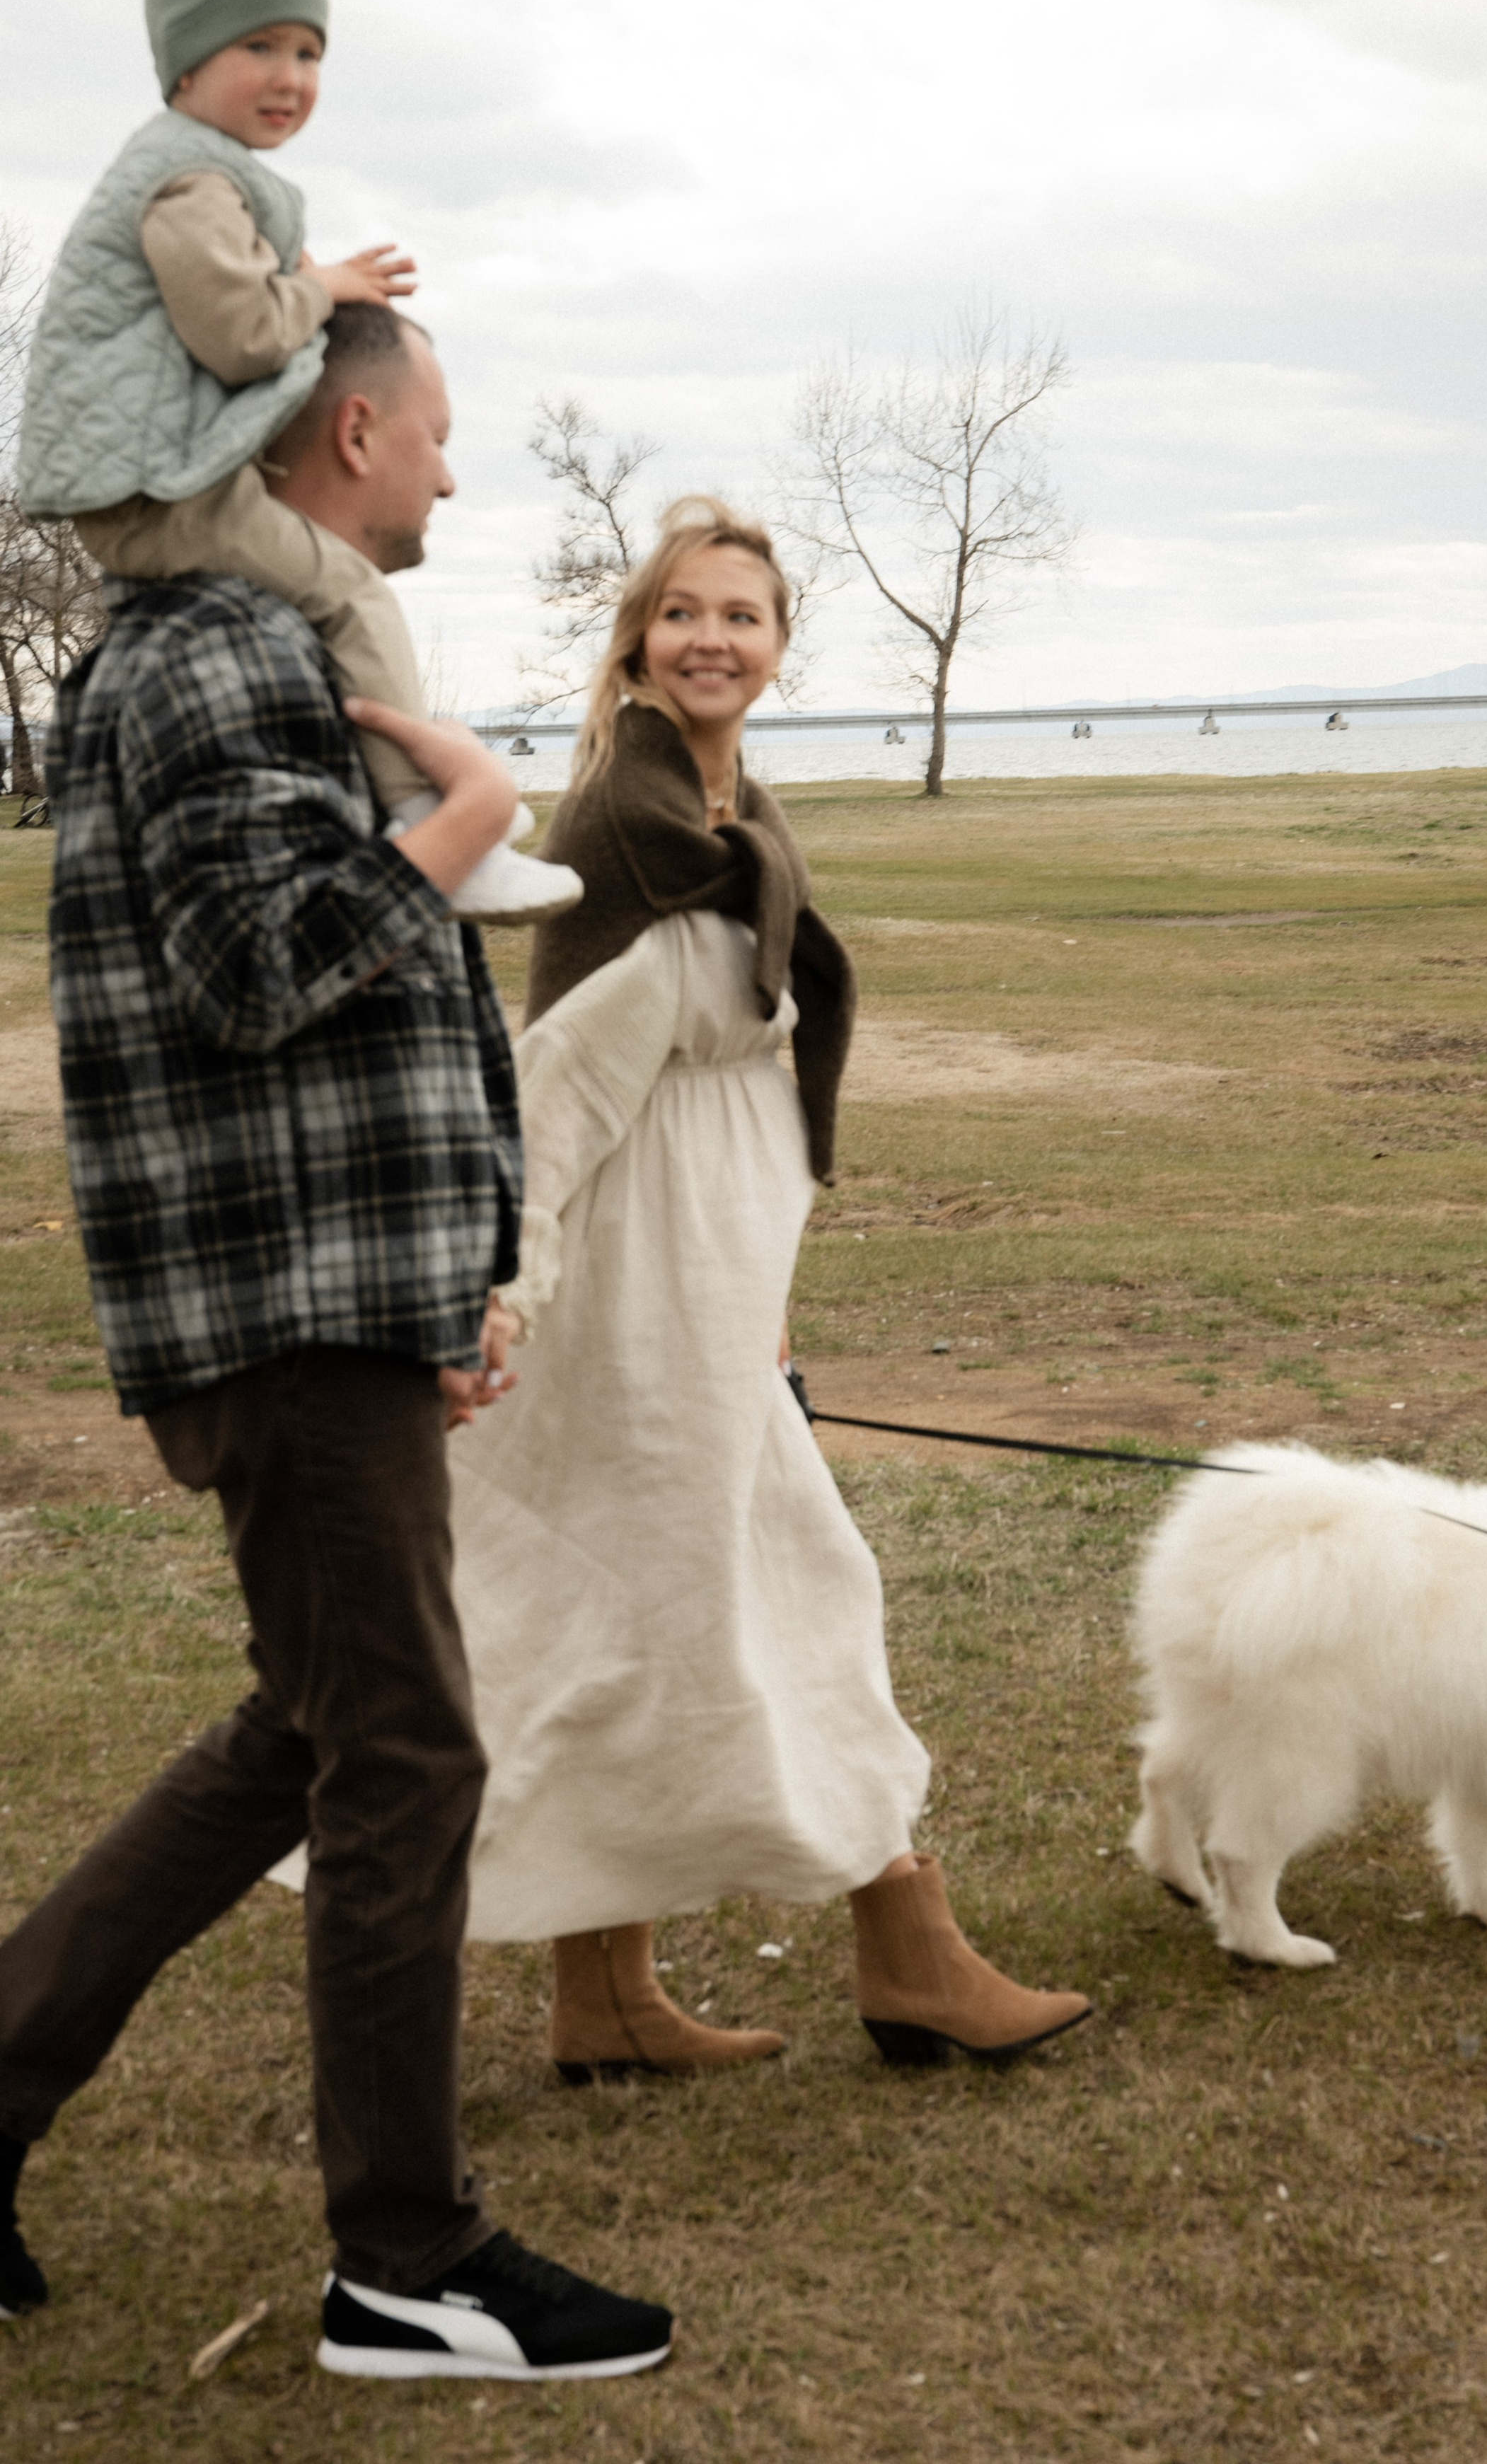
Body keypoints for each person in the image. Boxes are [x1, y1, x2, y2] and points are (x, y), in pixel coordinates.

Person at [0, 305, 671, 2384]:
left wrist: (449, 1278)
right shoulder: (216, 650)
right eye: (444, 438)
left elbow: (349, 1013)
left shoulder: (274, 653)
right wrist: (470, 810)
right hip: (279, 1313)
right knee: (403, 1749)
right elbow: (254, 966)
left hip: (326, 1303)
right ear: (353, 428)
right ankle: (408, 2257)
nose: (455, 479)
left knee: (306, 1732)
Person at [444, 497, 1094, 2076]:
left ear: (779, 646)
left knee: (657, 1619)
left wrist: (764, 1295)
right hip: (627, 1312)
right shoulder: (621, 835)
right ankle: (904, 1950)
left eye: (741, 615)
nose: (712, 639)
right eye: (682, 614)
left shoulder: (742, 823)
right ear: (638, 644)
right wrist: (498, 1288)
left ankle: (606, 1997)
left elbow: (745, 1087)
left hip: (712, 1302)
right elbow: (557, 1097)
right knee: (763, 1600)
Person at [15, 0, 578, 926]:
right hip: (149, 494)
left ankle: (408, 792)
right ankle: (430, 817)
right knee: (352, 593)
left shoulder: (203, 177)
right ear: (184, 64)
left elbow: (225, 304)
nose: (291, 76)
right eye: (259, 45)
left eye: (311, 51)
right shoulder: (186, 181)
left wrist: (310, 273)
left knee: (325, 584)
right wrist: (327, 287)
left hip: (155, 471)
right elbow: (239, 332)